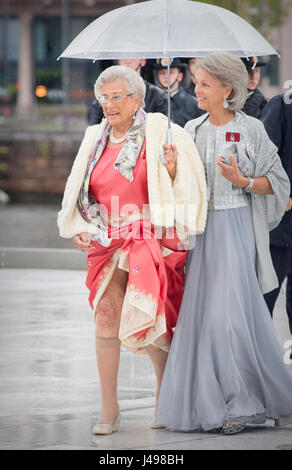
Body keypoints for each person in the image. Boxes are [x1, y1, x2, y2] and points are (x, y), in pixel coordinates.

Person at [57, 65, 207, 435]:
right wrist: (79, 227)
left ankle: (163, 395)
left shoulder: (162, 132)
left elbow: (187, 186)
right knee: (106, 315)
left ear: (137, 98)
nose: (108, 104)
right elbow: (79, 192)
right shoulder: (95, 137)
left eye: (116, 96)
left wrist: (171, 169)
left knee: (152, 317)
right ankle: (110, 408)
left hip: (149, 238)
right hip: (106, 238)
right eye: (103, 97)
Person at [155, 52, 292, 435]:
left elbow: (278, 183)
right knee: (201, 319)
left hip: (236, 228)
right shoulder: (191, 129)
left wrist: (242, 180)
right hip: (202, 233)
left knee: (227, 318)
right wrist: (172, 168)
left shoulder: (252, 129)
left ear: (227, 89)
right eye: (196, 82)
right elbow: (185, 185)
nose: (195, 89)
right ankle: (219, 400)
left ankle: (244, 402)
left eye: (204, 84)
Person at [262, 93, 292, 345]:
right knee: (266, 296)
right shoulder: (282, 105)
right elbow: (265, 155)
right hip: (280, 224)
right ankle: (259, 356)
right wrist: (284, 193)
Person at [87, 59, 168, 124]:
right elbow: (94, 130)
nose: (127, 61)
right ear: (118, 61)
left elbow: (162, 130)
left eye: (132, 56)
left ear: (143, 61)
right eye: (123, 56)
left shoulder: (158, 96)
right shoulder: (104, 96)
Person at [153, 58, 204, 128]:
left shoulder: (194, 104)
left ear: (180, 76)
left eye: (171, 72)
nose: (166, 76)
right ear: (157, 76)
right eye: (162, 72)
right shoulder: (151, 101)